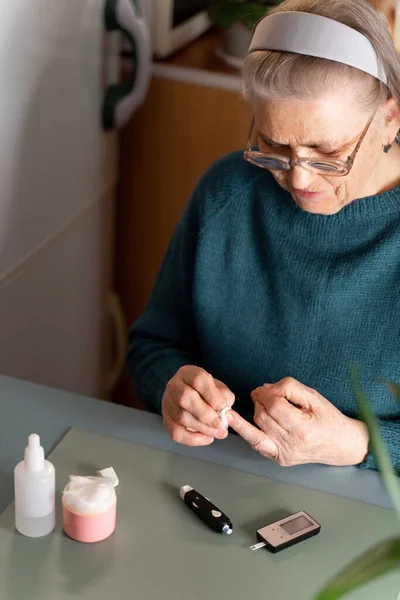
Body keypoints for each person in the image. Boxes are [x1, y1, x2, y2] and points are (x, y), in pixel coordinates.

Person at [127, 0, 400, 472]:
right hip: (214, 489)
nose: (298, 179)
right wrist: (172, 389)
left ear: (390, 119)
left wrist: (358, 444)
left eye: (327, 152)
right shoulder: (227, 193)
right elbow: (151, 346)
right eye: (273, 145)